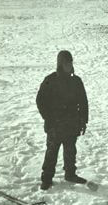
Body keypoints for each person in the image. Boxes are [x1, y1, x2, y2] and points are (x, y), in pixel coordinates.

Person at [36, 50, 89, 190]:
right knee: (51, 152)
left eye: (70, 62)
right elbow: (40, 101)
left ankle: (70, 174)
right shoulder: (50, 80)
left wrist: (83, 120)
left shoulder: (76, 81)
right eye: (66, 63)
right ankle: (47, 178)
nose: (69, 65)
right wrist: (48, 118)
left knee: (71, 151)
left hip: (72, 124)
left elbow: (83, 102)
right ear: (60, 64)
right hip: (55, 125)